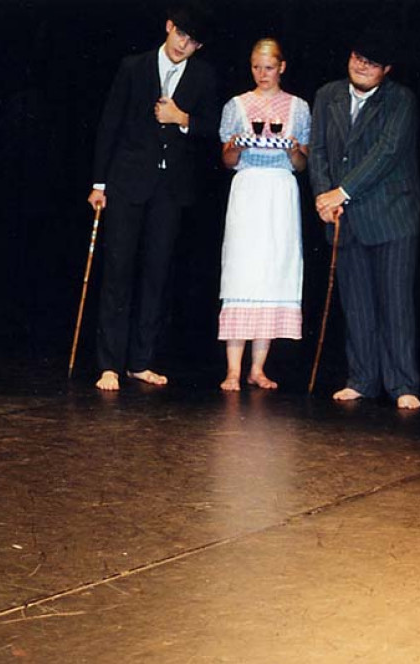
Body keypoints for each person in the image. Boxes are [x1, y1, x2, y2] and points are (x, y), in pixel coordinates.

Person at [87, 4, 219, 391]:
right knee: (118, 271)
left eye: (192, 42)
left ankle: (141, 361)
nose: (184, 44)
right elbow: (110, 123)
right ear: (169, 27)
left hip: (171, 188)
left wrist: (183, 119)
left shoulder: (204, 76)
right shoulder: (134, 67)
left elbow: (212, 127)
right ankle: (109, 364)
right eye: (181, 35)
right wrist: (99, 184)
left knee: (157, 273)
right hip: (128, 181)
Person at [308, 30, 420, 410]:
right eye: (358, 58)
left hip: (392, 216)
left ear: (386, 70)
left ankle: (402, 384)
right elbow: (318, 151)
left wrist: (341, 192)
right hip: (344, 217)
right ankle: (362, 379)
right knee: (356, 305)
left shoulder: (400, 100)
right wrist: (324, 198)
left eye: (371, 64)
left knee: (395, 305)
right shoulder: (328, 95)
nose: (361, 66)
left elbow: (386, 153)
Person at [217, 38, 310, 391]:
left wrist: (293, 150)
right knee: (242, 271)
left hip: (280, 190)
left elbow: (301, 163)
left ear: (282, 67)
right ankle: (233, 370)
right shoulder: (236, 105)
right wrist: (236, 147)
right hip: (249, 187)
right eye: (257, 67)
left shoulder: (299, 107)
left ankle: (257, 368)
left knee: (274, 271)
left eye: (269, 67)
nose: (262, 74)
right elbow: (227, 160)